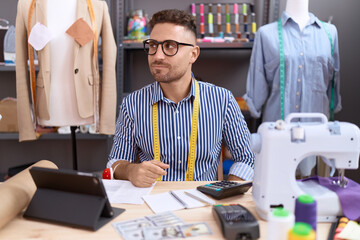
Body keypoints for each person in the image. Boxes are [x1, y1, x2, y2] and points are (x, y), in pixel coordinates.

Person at [107, 9, 255, 187]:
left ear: (193, 54)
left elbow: (247, 158)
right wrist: (131, 171)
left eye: (170, 46)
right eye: (153, 45)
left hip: (203, 203)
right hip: (149, 204)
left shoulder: (223, 100)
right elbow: (115, 163)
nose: (157, 55)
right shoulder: (132, 104)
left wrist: (225, 192)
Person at [244, 0, 341, 176]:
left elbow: (334, 82)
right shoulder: (266, 34)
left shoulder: (330, 33)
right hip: (278, 130)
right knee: (277, 192)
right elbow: (257, 83)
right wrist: (253, 106)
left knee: (316, 191)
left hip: (317, 131)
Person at [15, 0, 117, 142]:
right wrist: (26, 127)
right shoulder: (27, 5)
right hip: (49, 104)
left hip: (86, 104)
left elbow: (109, 57)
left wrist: (106, 119)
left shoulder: (97, 5)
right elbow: (20, 63)